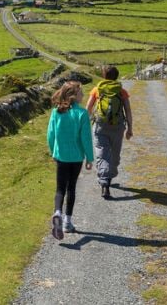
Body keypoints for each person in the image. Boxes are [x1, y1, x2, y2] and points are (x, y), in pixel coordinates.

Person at [47, 81, 94, 240]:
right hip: (76, 157)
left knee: (60, 188)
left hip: (61, 156)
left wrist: (53, 151)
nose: (83, 95)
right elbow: (86, 138)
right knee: (71, 187)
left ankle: (57, 212)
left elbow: (50, 134)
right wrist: (90, 157)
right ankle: (67, 222)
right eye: (81, 93)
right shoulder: (82, 114)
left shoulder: (56, 112)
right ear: (74, 96)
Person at [86, 66, 133, 199]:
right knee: (114, 154)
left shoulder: (97, 89)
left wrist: (86, 123)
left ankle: (104, 183)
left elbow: (88, 108)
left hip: (100, 126)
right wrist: (130, 128)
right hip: (117, 127)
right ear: (116, 76)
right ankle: (107, 179)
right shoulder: (122, 91)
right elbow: (128, 111)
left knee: (102, 153)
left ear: (103, 76)